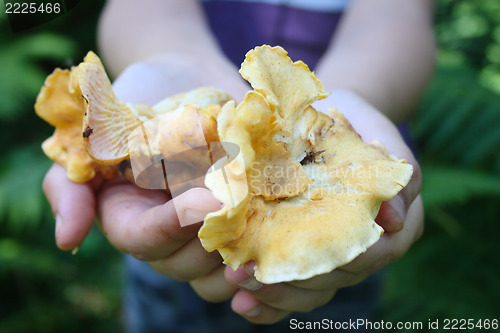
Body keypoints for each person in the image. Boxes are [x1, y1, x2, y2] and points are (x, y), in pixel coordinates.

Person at [42, 0, 434, 331]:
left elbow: (399, 15)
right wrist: (171, 59)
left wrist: (357, 96)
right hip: (168, 206)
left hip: (336, 259)